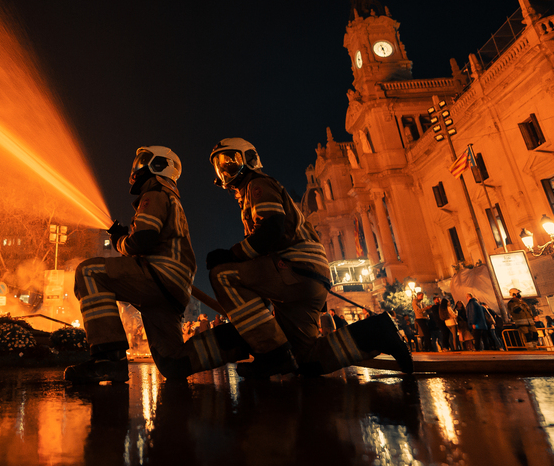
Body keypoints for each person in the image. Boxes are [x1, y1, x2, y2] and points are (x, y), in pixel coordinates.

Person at [167, 138, 412, 379]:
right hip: (308, 277)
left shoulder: (257, 184)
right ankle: (379, 333)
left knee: (223, 274)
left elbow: (272, 228)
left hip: (295, 269)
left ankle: (271, 353)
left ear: (249, 159)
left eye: (230, 161)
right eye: (220, 165)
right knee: (304, 358)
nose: (225, 170)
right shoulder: (250, 193)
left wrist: (232, 254)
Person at [66, 146, 195, 384]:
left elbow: (143, 240)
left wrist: (119, 241)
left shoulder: (154, 193)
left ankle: (109, 359)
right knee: (173, 363)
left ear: (159, 165)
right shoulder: (170, 197)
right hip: (174, 288)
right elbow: (148, 238)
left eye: (144, 161)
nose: (137, 167)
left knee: (89, 272)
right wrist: (127, 236)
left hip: (158, 275)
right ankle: (231, 343)